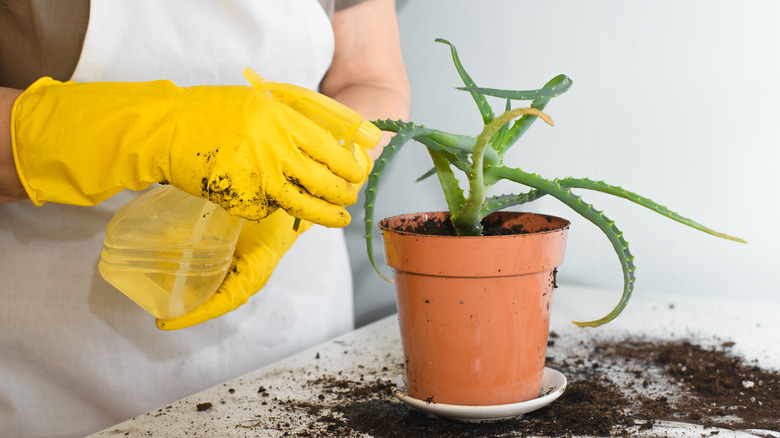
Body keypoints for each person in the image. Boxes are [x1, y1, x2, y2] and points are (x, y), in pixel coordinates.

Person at [0, 0, 410, 436]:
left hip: (294, 327)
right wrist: (154, 131)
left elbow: (370, 80)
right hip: (59, 355)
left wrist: (300, 191)